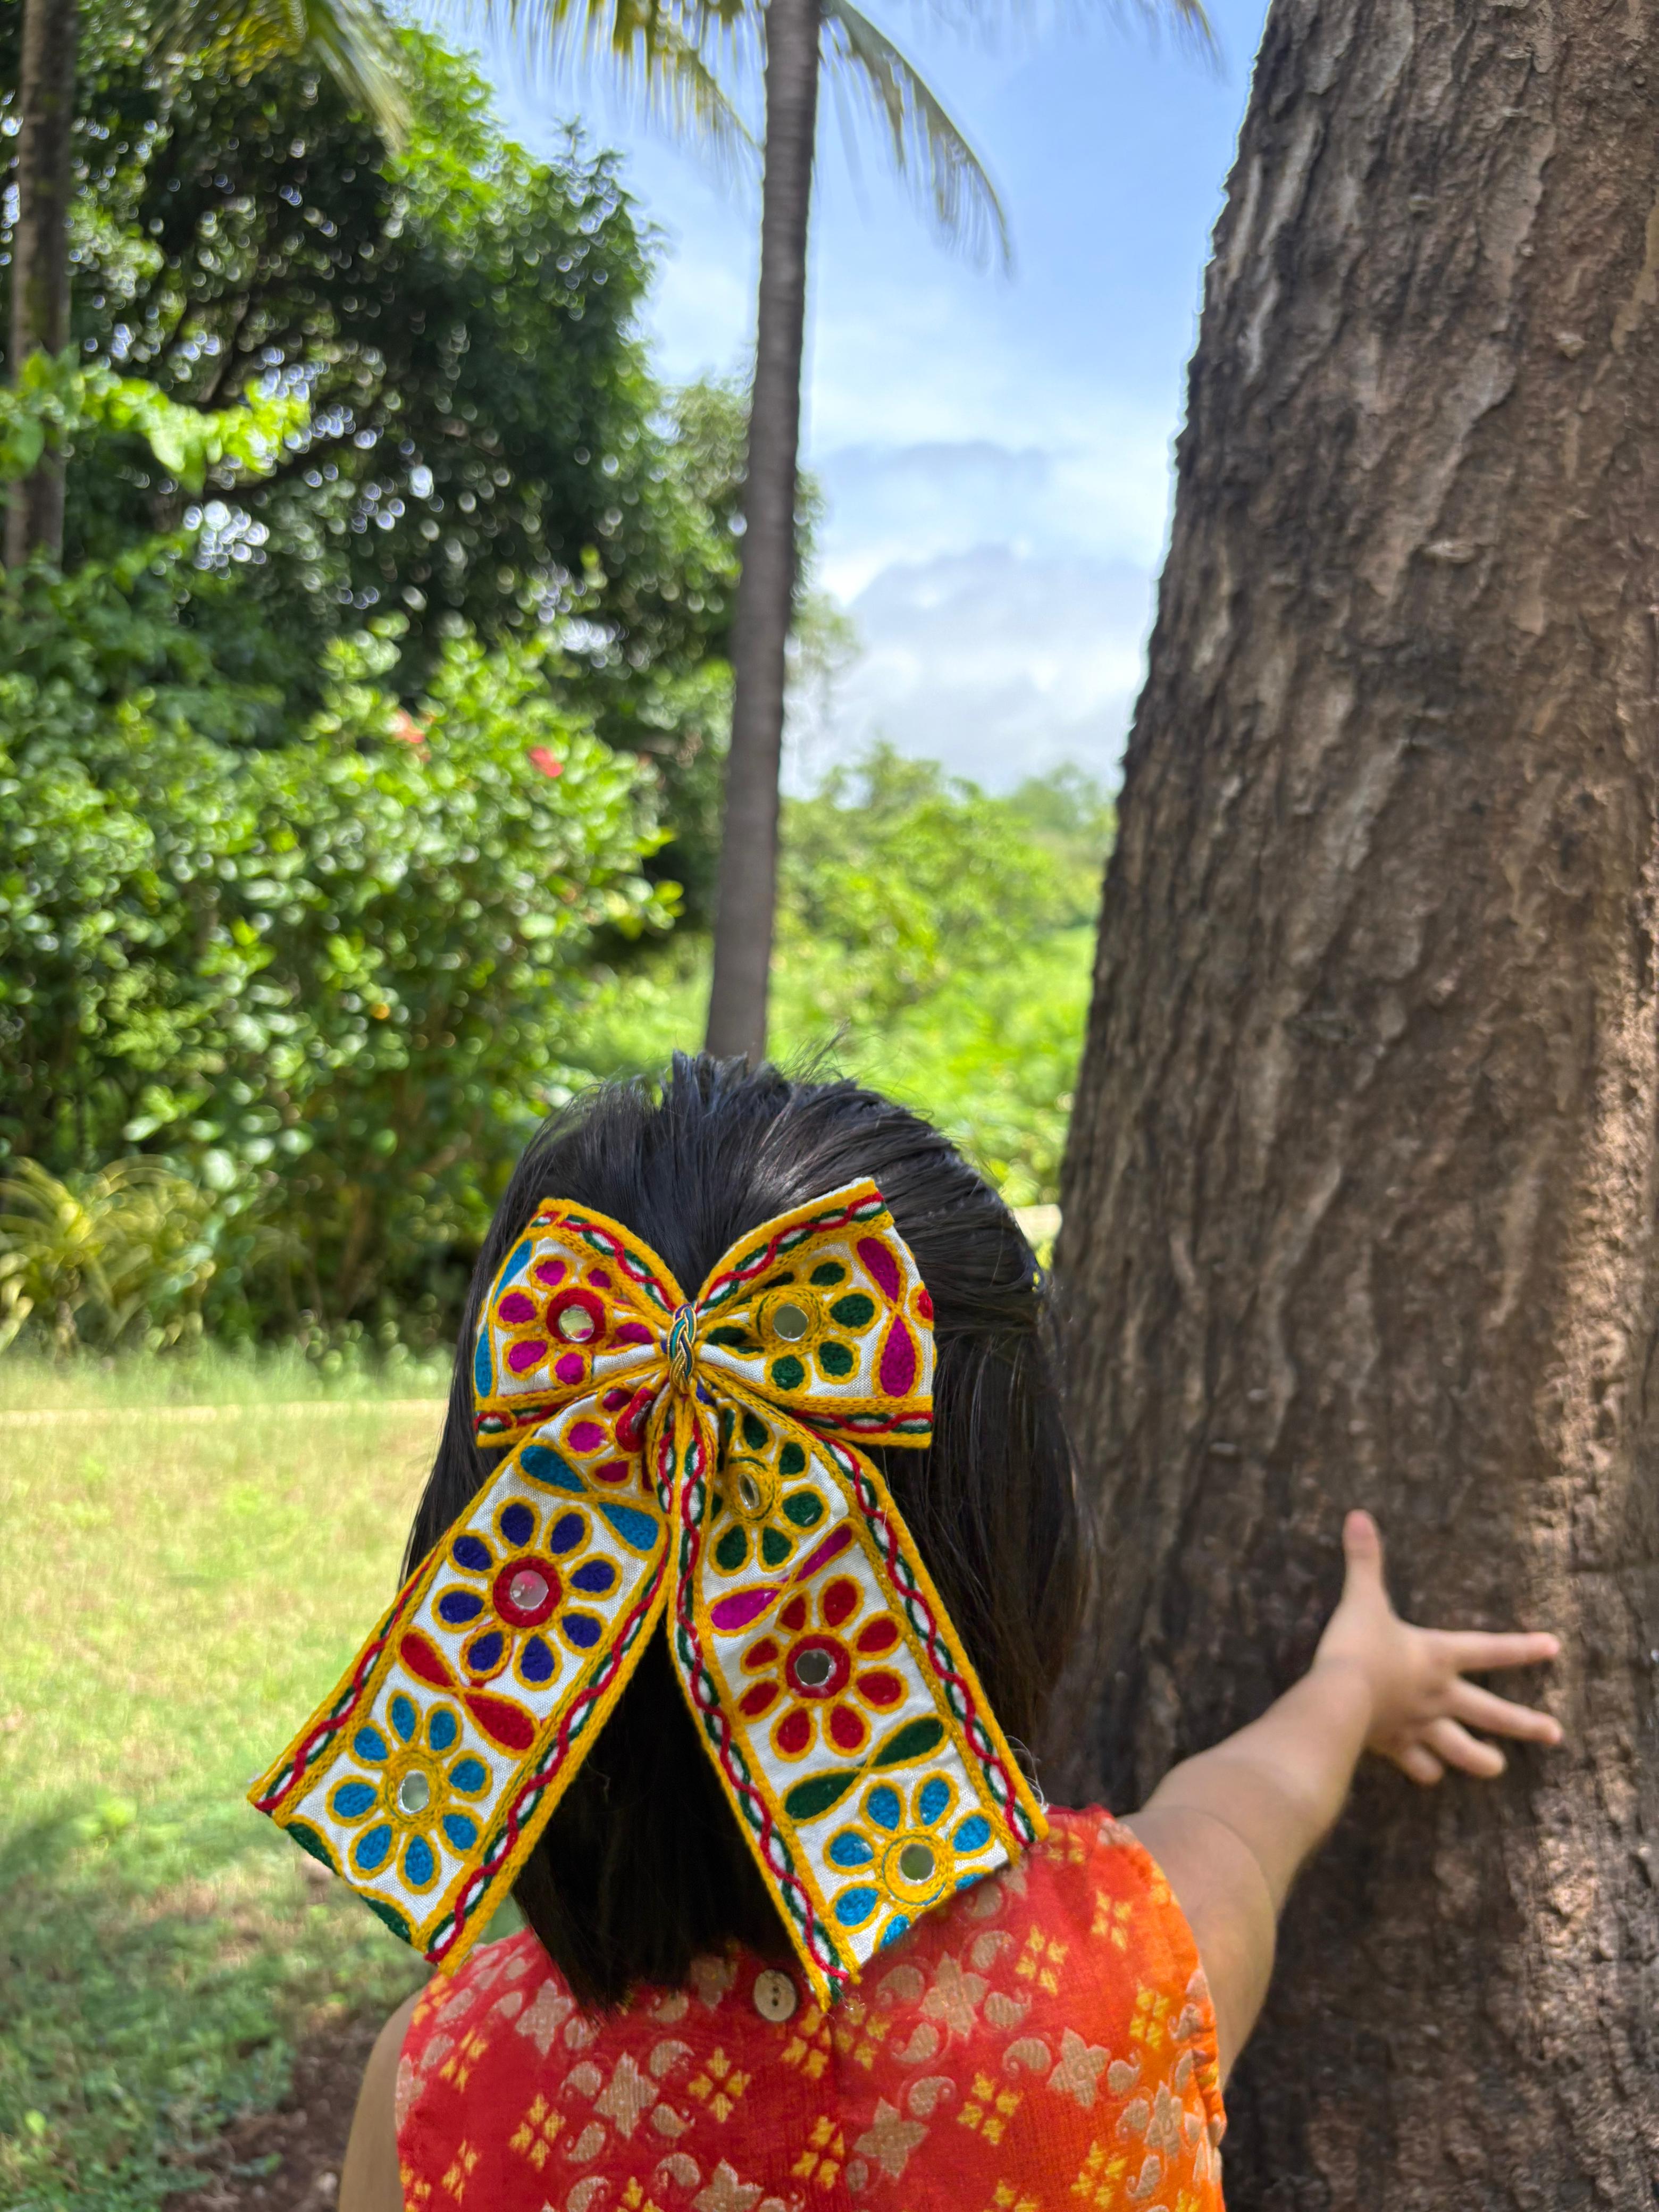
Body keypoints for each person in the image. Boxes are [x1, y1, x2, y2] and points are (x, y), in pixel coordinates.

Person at [328, 1058, 1562, 2212]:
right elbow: (1253, 1796)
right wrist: (1359, 1680)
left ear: (497, 1565)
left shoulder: (431, 2090)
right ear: (1017, 1536)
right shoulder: (1130, 1973)